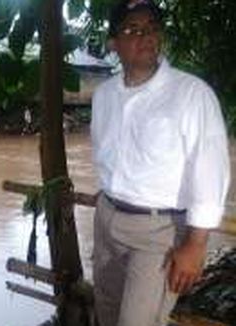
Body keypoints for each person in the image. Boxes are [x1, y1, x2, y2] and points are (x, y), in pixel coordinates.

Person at [90, 1, 230, 326]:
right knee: (106, 312)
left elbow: (210, 172)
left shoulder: (192, 94)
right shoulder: (105, 95)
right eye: (133, 29)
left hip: (159, 233)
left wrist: (195, 245)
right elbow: (105, 156)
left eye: (152, 28)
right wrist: (106, 202)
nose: (146, 36)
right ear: (114, 43)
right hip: (107, 218)